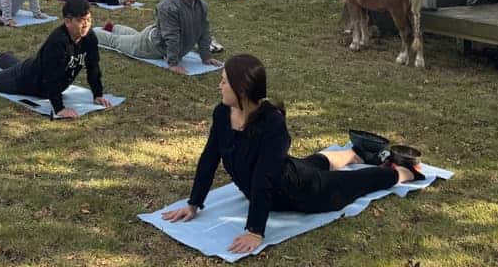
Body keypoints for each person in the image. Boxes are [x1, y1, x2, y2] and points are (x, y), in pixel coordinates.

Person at [163, 54, 424, 254]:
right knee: (311, 163)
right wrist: (194, 203)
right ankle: (354, 154)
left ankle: (403, 172)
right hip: (284, 173)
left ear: (242, 91)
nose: (219, 86)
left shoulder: (272, 123)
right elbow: (209, 158)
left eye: (224, 82)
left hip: (301, 193)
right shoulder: (222, 113)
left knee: (357, 181)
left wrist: (255, 231)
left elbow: (264, 178)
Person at [0, 0, 110, 119]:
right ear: (67, 21)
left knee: (19, 66)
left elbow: (93, 67)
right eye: (81, 21)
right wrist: (59, 109)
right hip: (26, 81)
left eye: (89, 20)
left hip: (36, 71)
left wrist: (97, 94)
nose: (86, 24)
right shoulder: (58, 42)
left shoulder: (89, 37)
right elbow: (52, 77)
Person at [92, 0, 224, 73]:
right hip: (149, 46)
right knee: (116, 42)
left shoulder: (201, 5)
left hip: (156, 35)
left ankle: (114, 27)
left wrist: (206, 57)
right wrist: (173, 63)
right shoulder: (169, 6)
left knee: (135, 36)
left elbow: (204, 31)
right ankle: (93, 33)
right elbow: (172, 36)